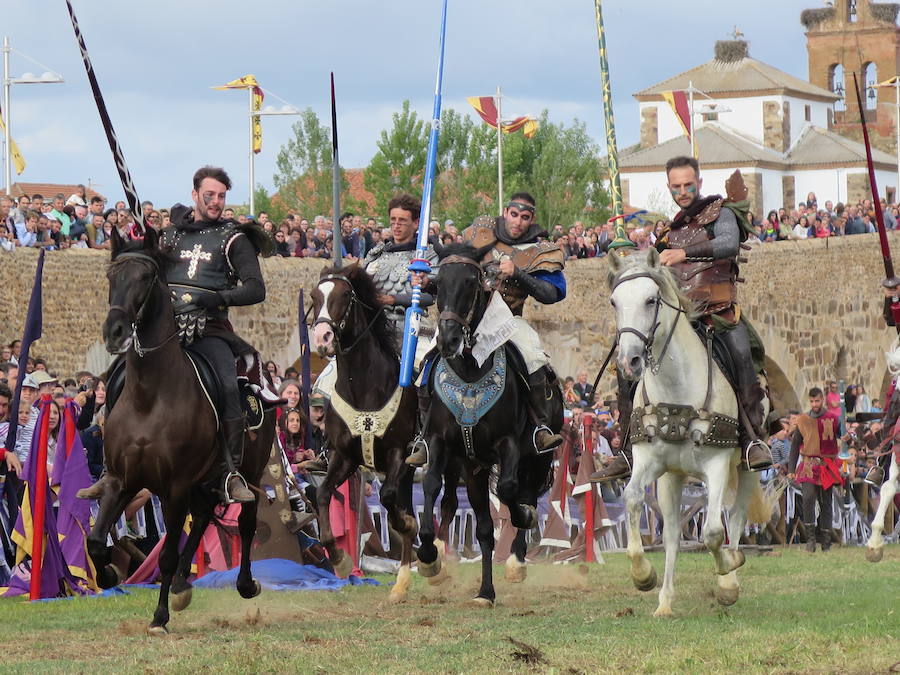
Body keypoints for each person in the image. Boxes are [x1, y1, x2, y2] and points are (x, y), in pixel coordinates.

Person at [80, 166, 271, 504]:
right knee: (118, 377)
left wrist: (219, 297)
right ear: (195, 194)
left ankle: (231, 471)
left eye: (221, 196)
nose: (215, 202)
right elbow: (143, 268)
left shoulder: (234, 238)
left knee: (228, 384)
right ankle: (112, 469)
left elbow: (256, 289)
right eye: (209, 195)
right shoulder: (170, 235)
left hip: (209, 328)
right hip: (165, 329)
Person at [594, 156, 772, 483]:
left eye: (688, 184)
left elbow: (729, 244)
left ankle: (752, 440)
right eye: (675, 186)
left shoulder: (721, 213)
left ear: (699, 182)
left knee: (741, 356)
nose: (682, 191)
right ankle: (627, 450)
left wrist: (684, 254)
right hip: (676, 316)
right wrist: (625, 254)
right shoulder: (669, 231)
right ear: (669, 187)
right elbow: (649, 271)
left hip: (717, 312)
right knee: (628, 365)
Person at [408, 191, 566, 466]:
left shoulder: (540, 250)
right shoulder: (477, 235)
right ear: (505, 212)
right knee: (426, 361)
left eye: (525, 217)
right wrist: (427, 282)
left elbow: (552, 293)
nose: (518, 222)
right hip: (469, 318)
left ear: (532, 219)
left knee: (532, 354)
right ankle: (424, 434)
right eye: (514, 215)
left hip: (508, 320)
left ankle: (539, 425)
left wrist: (518, 273)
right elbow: (456, 278)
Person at [788, 387, 843, 552]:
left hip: (826, 465)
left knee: (826, 503)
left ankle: (825, 541)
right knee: (808, 498)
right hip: (808, 465)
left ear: (822, 400)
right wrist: (791, 468)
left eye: (817, 401)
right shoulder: (803, 420)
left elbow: (844, 437)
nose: (814, 404)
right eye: (811, 401)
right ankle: (811, 540)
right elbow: (795, 445)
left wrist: (848, 437)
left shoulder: (834, 419)